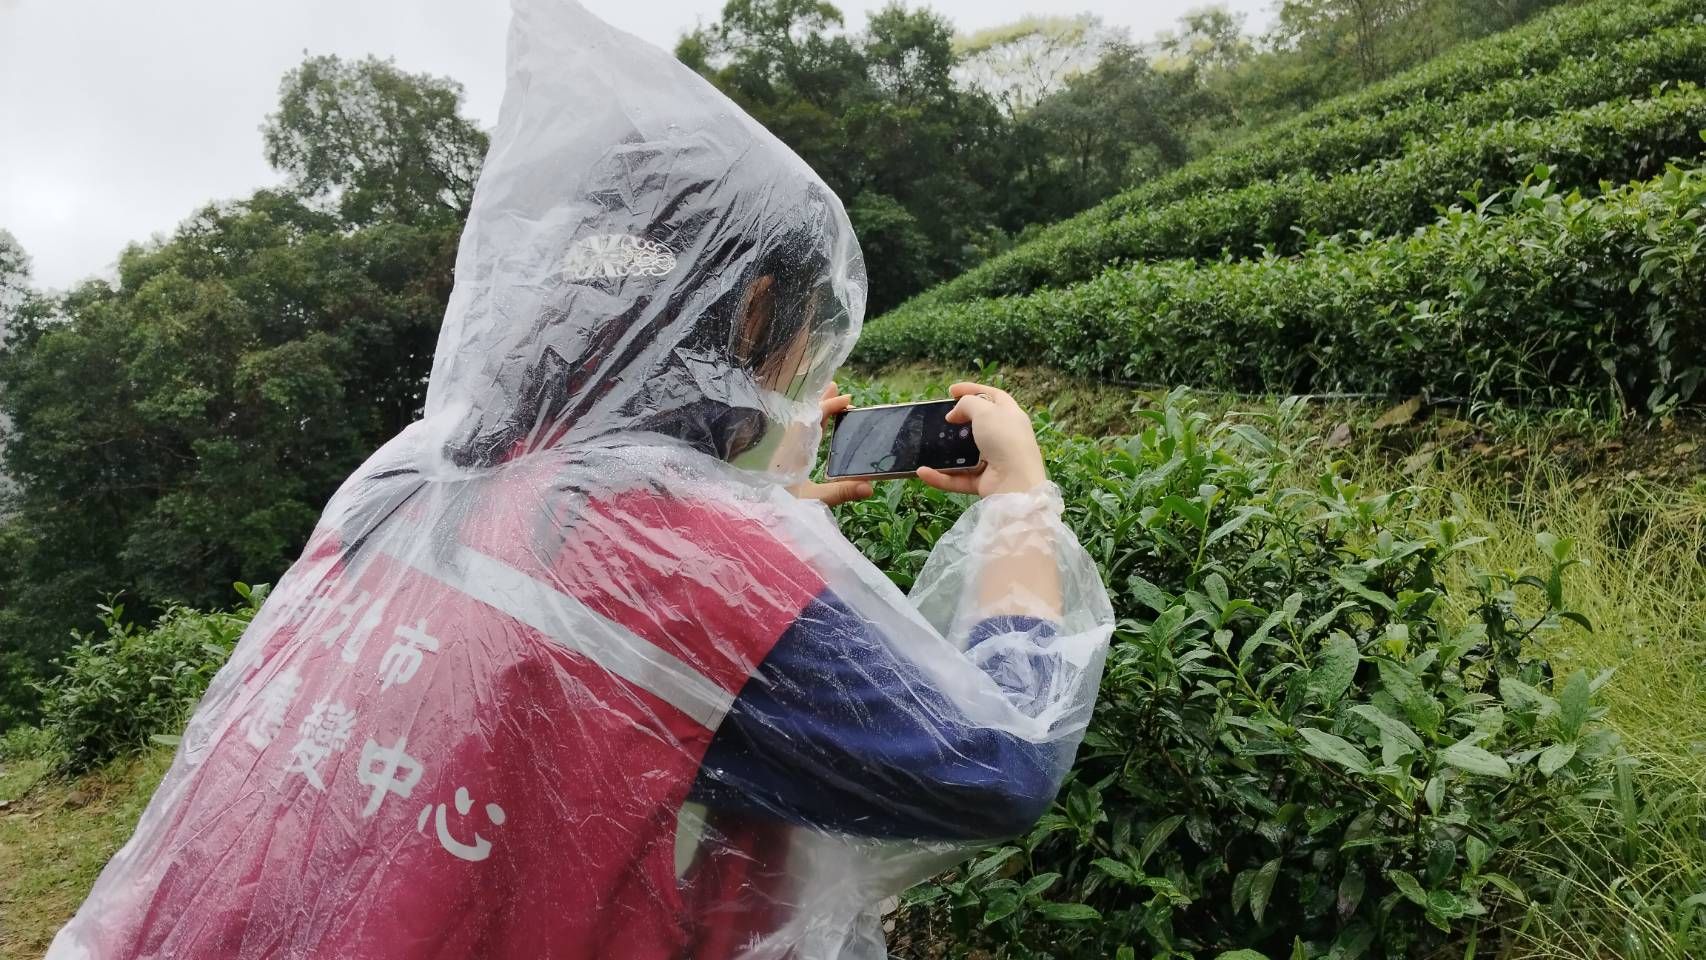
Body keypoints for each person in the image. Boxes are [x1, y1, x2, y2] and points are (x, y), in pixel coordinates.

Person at [47, 2, 1113, 958]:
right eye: (804, 327)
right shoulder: (684, 561)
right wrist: (1019, 509)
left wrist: (758, 536)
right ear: (751, 308)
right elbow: (992, 764)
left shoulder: (402, 477)